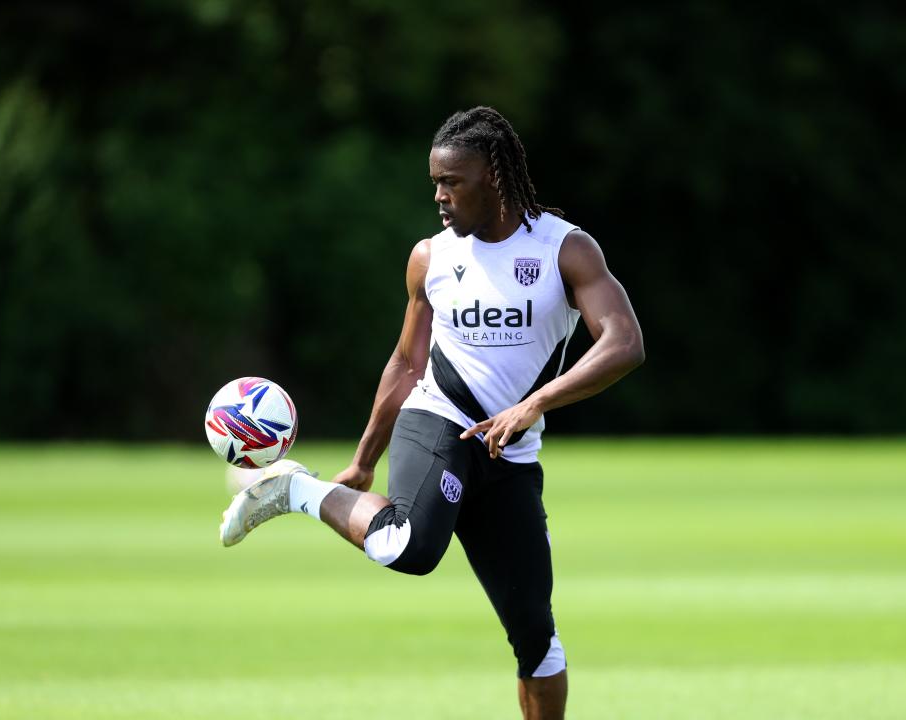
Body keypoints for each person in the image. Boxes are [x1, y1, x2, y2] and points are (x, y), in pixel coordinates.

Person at [219, 106, 644, 720]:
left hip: (511, 453)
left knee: (537, 638)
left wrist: (534, 405)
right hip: (439, 418)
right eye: (435, 184)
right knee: (408, 547)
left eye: (453, 183)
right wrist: (363, 461)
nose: (440, 197)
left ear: (494, 177)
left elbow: (624, 342)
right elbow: (407, 362)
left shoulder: (565, 250)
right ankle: (294, 491)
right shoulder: (430, 257)